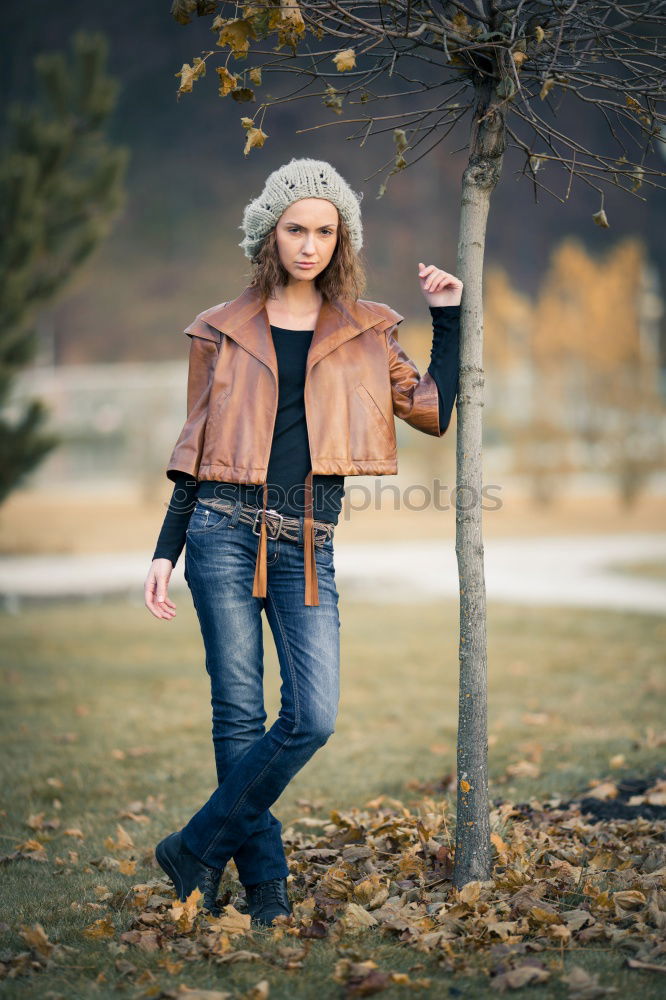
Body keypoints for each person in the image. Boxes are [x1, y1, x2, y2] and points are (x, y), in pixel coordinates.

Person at [144, 157, 463, 927]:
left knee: (313, 716)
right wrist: (165, 549)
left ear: (341, 237)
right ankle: (265, 886)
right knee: (238, 714)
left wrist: (446, 318)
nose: (310, 244)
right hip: (221, 528)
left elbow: (432, 411)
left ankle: (195, 847)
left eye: (325, 230)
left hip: (308, 541)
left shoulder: (366, 328)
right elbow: (195, 447)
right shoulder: (219, 327)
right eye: (297, 229)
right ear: (269, 232)